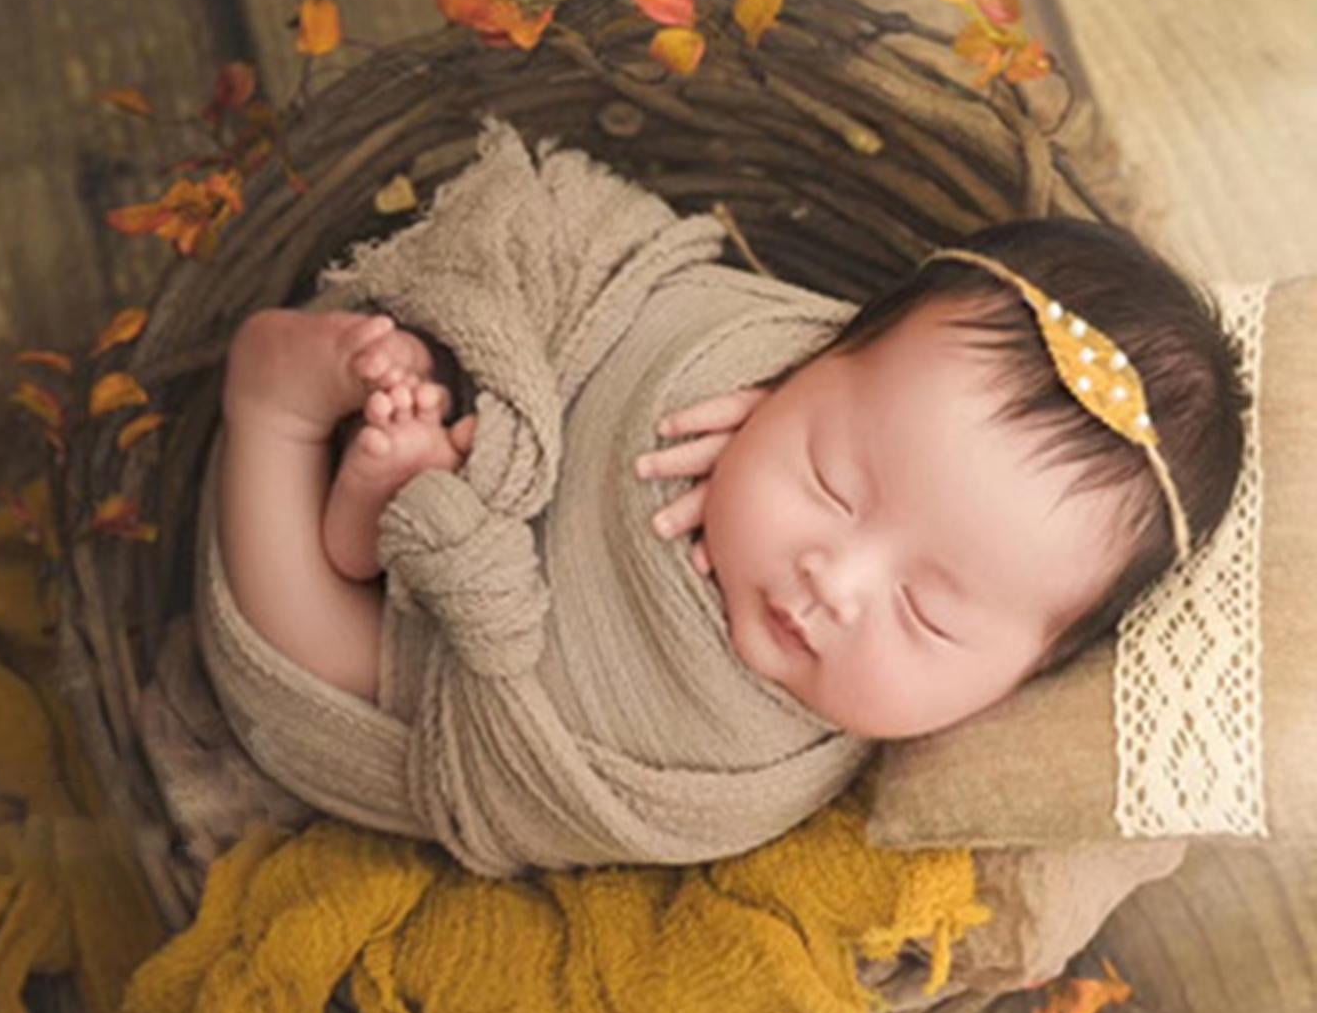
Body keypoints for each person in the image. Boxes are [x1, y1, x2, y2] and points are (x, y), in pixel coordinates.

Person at [215, 213, 1247, 743]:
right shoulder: (748, 371)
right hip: (515, 436)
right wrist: (744, 389)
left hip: (471, 669)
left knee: (380, 681)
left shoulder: (867, 752)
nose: (835, 581)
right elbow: (661, 308)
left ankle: (361, 484)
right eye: (831, 482)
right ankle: (287, 414)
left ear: (1025, 678)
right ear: (808, 361)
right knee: (328, 650)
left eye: (927, 616)